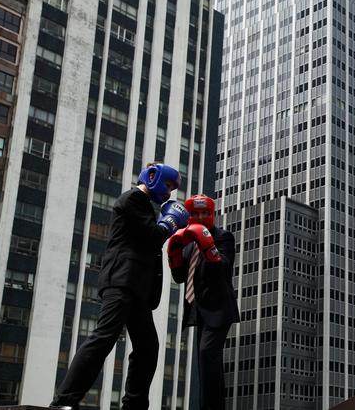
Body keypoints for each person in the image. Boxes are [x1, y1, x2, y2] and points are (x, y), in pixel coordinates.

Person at [50, 163, 189, 410]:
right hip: (123, 281)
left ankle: (134, 405)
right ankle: (63, 402)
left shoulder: (145, 205)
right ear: (154, 178)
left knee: (148, 348)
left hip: (137, 288)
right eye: (167, 185)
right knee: (103, 337)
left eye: (172, 188)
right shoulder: (133, 198)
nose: (169, 192)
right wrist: (170, 222)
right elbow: (153, 237)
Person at [166, 194, 239, 410]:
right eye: (196, 213)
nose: (200, 216)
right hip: (198, 310)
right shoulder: (187, 244)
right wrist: (174, 253)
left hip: (218, 308)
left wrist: (208, 245)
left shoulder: (224, 237)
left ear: (211, 213)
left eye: (204, 212)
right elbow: (180, 278)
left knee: (207, 354)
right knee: (205, 361)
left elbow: (224, 268)